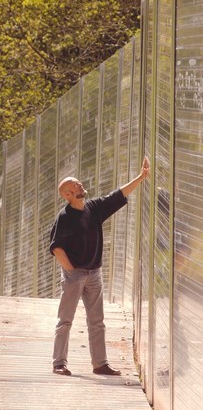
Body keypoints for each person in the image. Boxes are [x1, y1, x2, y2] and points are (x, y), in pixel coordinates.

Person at [49, 156, 150, 376]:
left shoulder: (93, 208)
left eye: (78, 183)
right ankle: (59, 363)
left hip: (94, 274)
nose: (80, 185)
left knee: (97, 321)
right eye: (74, 185)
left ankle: (100, 364)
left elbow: (118, 195)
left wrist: (141, 177)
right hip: (74, 276)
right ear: (67, 194)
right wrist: (72, 271)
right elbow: (57, 248)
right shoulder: (64, 217)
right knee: (65, 320)